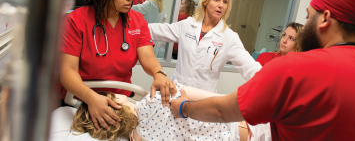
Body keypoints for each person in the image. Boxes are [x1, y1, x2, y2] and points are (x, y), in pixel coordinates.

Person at [170, 0, 355, 141]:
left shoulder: (294, 68)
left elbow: (224, 111)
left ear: (325, 18)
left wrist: (184, 108)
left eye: (308, 16)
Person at [58, 0, 176, 131]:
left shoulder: (137, 21)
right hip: (79, 99)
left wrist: (159, 73)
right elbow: (67, 71)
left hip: (119, 100)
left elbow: (148, 56)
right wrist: (90, 98)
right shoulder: (76, 20)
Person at [148, 0, 262, 93]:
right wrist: (133, 23)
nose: (221, 5)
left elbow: (250, 67)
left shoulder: (229, 37)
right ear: (205, 1)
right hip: (176, 92)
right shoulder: (188, 25)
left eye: (225, 1)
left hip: (202, 100)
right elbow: (155, 30)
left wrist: (272, 85)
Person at [70, 84, 244, 141]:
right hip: (236, 123)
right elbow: (216, 100)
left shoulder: (137, 138)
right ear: (116, 101)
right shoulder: (153, 99)